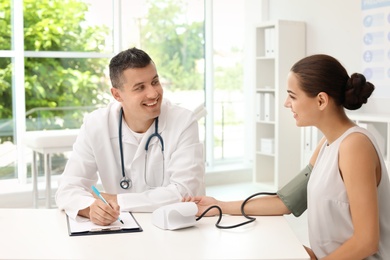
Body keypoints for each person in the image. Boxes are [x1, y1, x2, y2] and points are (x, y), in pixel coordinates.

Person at [184, 54, 390, 259]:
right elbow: (285, 202)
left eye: (292, 96)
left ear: (321, 100)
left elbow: (366, 242)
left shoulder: (355, 147)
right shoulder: (327, 145)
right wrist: (219, 205)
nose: (286, 103)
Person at [56, 47, 205, 226]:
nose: (153, 93)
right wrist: (91, 208)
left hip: (174, 227)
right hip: (121, 230)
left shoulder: (183, 121)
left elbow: (185, 192)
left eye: (155, 81)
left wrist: (116, 200)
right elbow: (67, 188)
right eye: (140, 87)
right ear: (117, 94)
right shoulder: (96, 124)